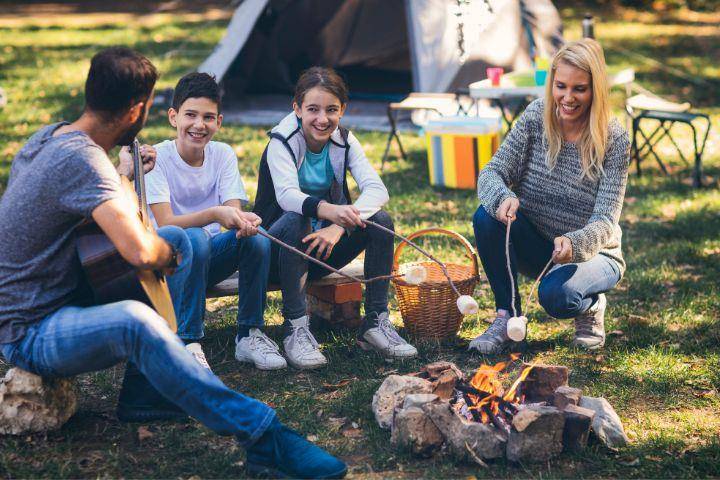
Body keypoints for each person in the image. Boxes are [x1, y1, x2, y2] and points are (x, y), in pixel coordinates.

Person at [0, 47, 346, 479]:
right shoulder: (86, 164)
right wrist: (172, 257)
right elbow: (142, 252)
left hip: (58, 296)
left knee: (171, 235)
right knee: (139, 307)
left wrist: (126, 178)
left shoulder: (49, 138)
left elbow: (100, 224)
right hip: (30, 329)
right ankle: (263, 434)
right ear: (140, 110)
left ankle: (143, 393)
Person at [469, 38, 630, 354]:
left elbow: (606, 221)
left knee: (557, 298)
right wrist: (502, 198)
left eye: (579, 89)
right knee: (485, 216)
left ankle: (591, 305)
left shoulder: (615, 137)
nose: (567, 98)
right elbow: (491, 172)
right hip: (538, 243)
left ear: (595, 90)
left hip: (595, 254)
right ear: (551, 84)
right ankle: (506, 316)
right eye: (561, 86)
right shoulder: (535, 117)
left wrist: (575, 243)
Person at [253, 66, 417, 370]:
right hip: (279, 254)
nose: (322, 119)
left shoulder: (343, 139)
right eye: (312, 109)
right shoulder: (281, 141)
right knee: (294, 219)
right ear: (297, 109)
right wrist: (331, 212)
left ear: (342, 110)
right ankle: (295, 328)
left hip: (323, 250)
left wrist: (338, 227)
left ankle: (376, 322)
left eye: (331, 110)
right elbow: (287, 196)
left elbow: (377, 190)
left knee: (380, 221)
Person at [144, 72, 279, 370]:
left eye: (208, 117)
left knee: (256, 237)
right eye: (190, 115)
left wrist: (242, 220)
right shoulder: (157, 158)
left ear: (219, 122)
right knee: (194, 238)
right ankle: (188, 340)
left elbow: (231, 217)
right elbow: (166, 221)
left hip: (207, 259)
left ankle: (249, 334)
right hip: (169, 265)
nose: (198, 125)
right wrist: (216, 214)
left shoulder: (222, 154)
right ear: (173, 117)